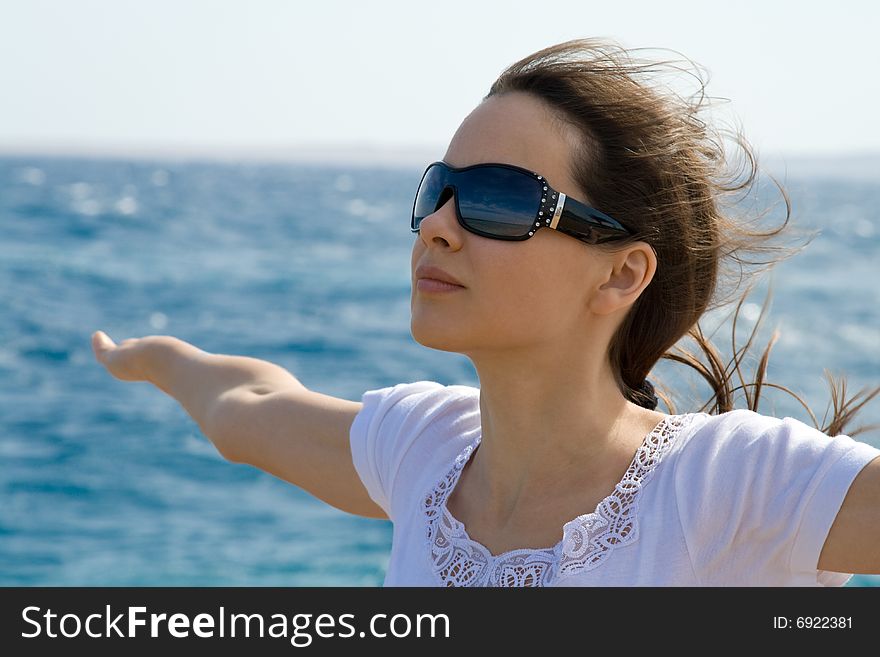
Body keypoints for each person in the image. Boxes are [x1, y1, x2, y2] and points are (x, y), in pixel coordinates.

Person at [92, 38, 880, 587]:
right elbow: (248, 410)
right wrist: (153, 358)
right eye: (441, 189)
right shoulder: (422, 451)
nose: (438, 224)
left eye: (500, 201)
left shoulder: (729, 481)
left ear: (621, 273)